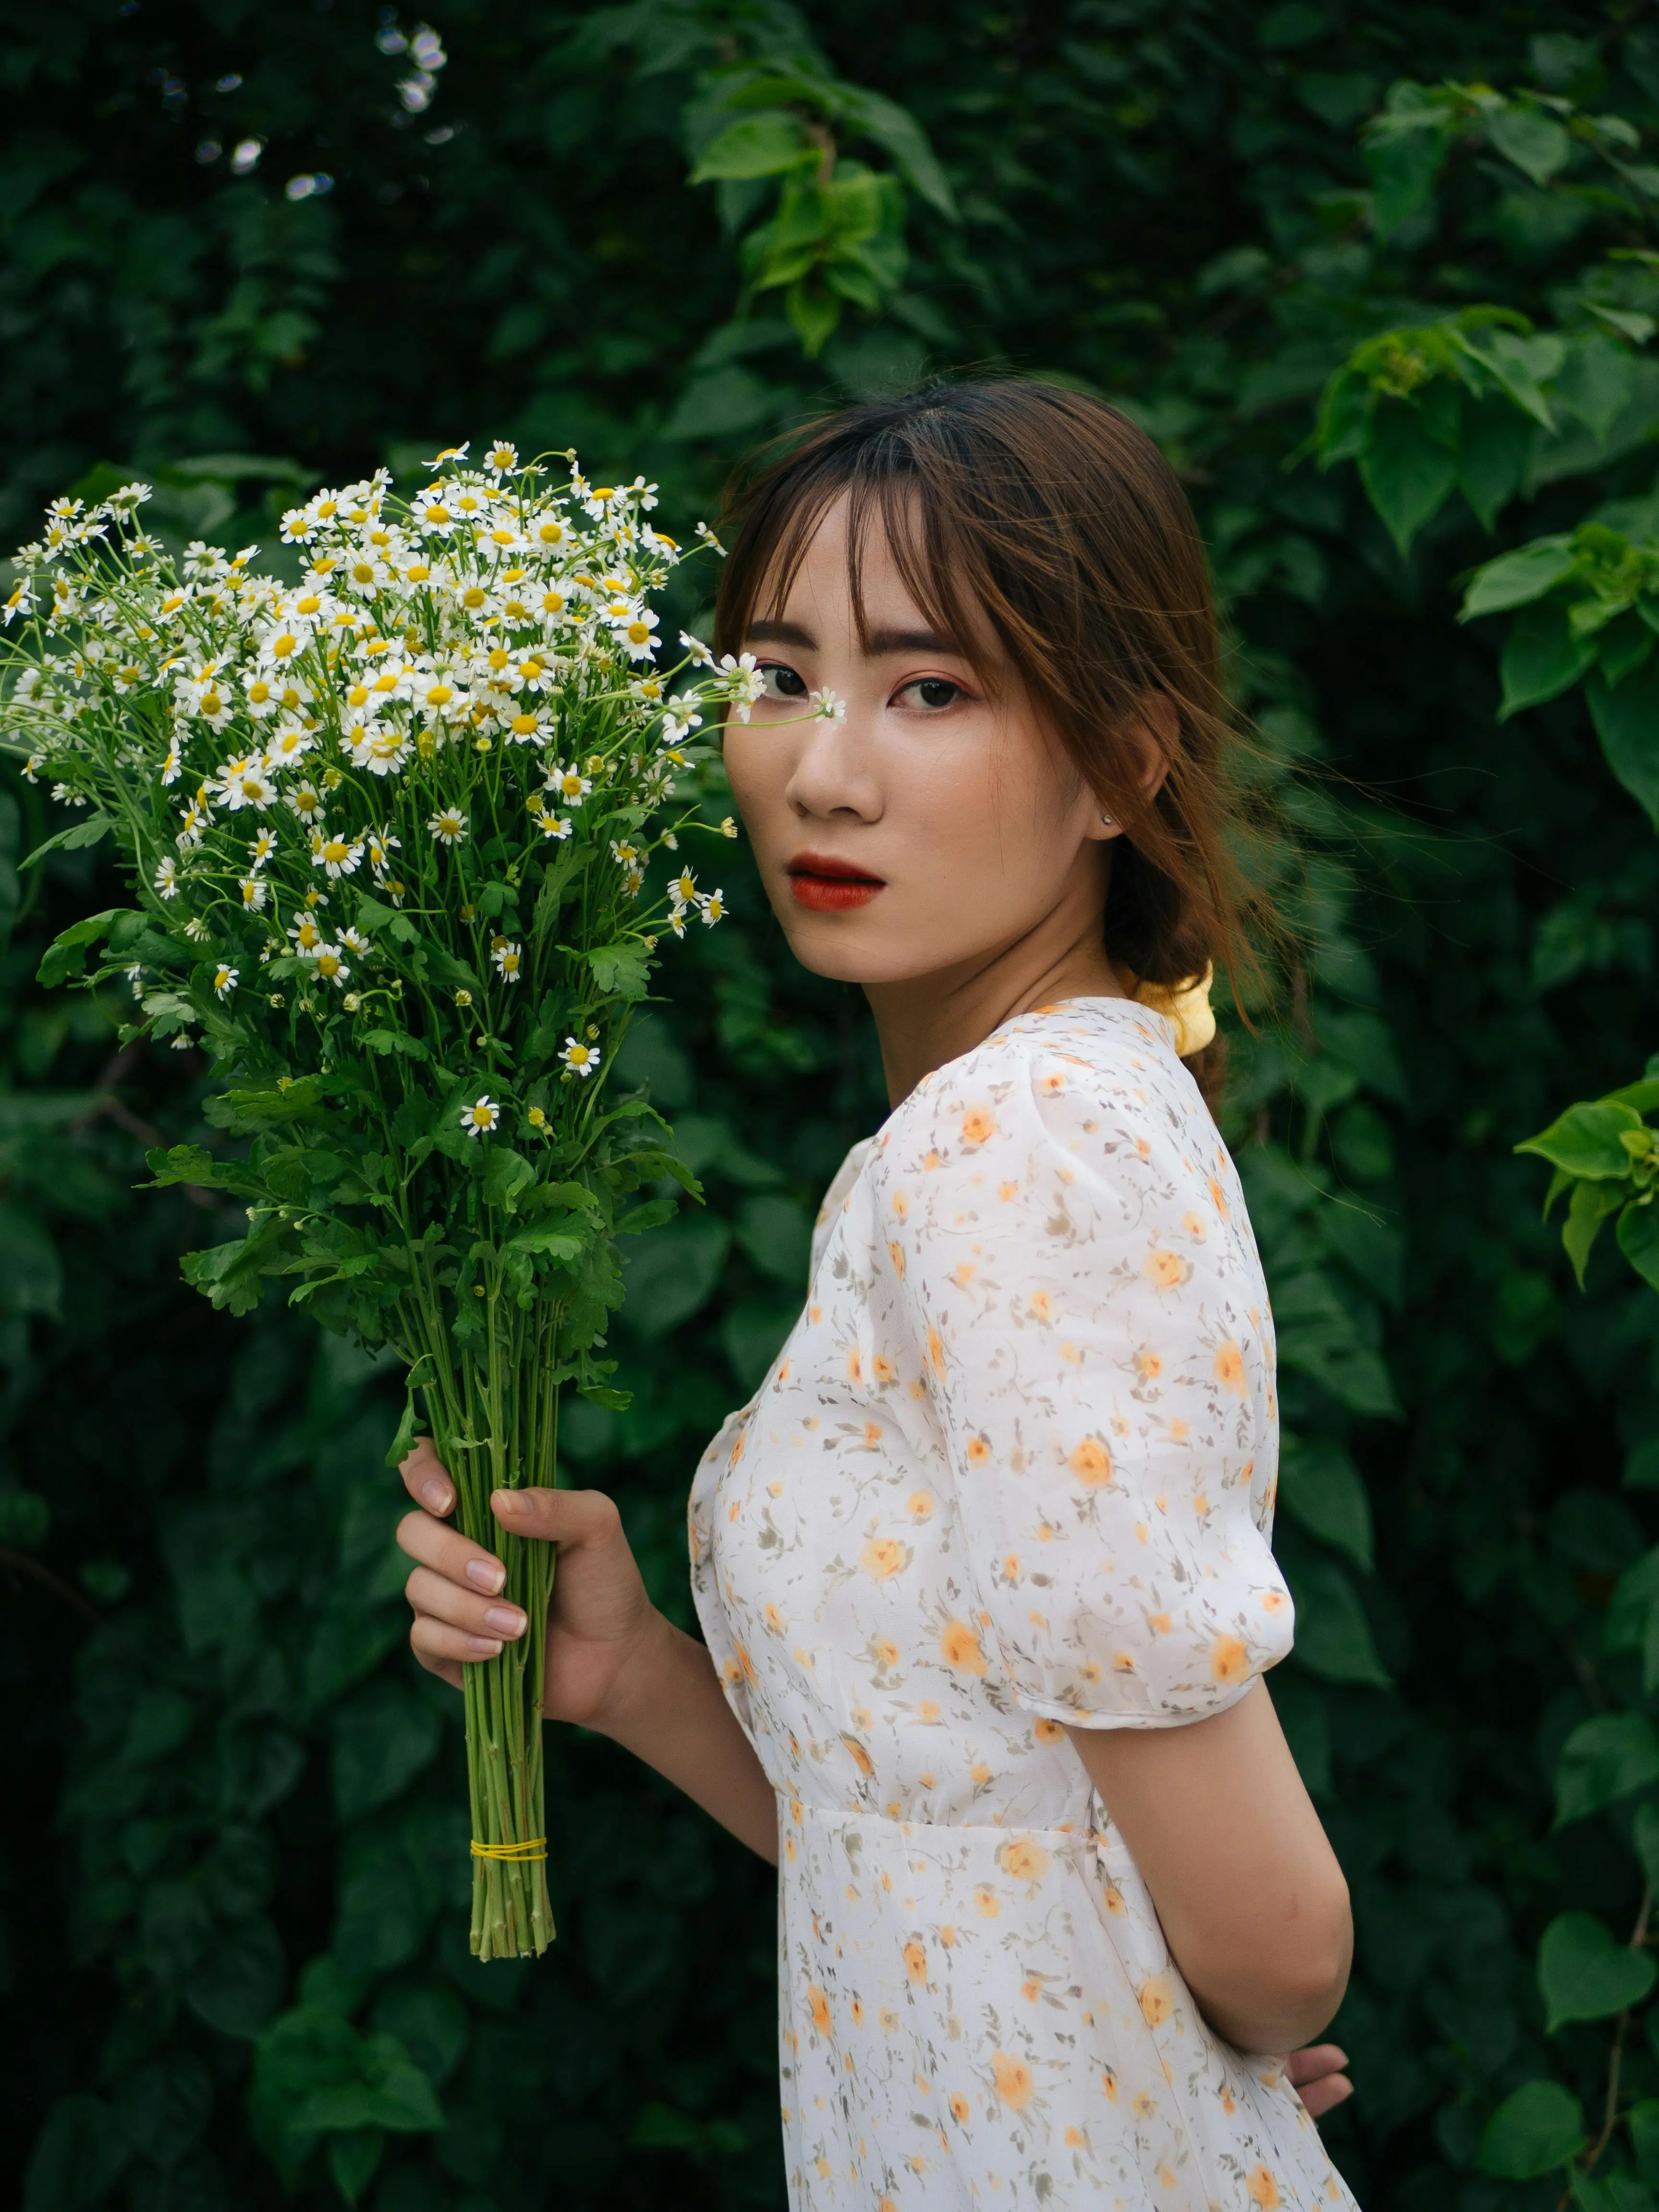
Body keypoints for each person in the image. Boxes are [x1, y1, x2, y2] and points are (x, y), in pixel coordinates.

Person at [397, 381, 1359, 2210]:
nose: (825, 769)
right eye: (780, 676)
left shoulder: (1014, 1149)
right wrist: (632, 1680)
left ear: (1121, 764)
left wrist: (1223, 1979)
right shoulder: (1024, 1122)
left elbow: (1283, 1953)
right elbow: (963, 1860)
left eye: (931, 690)